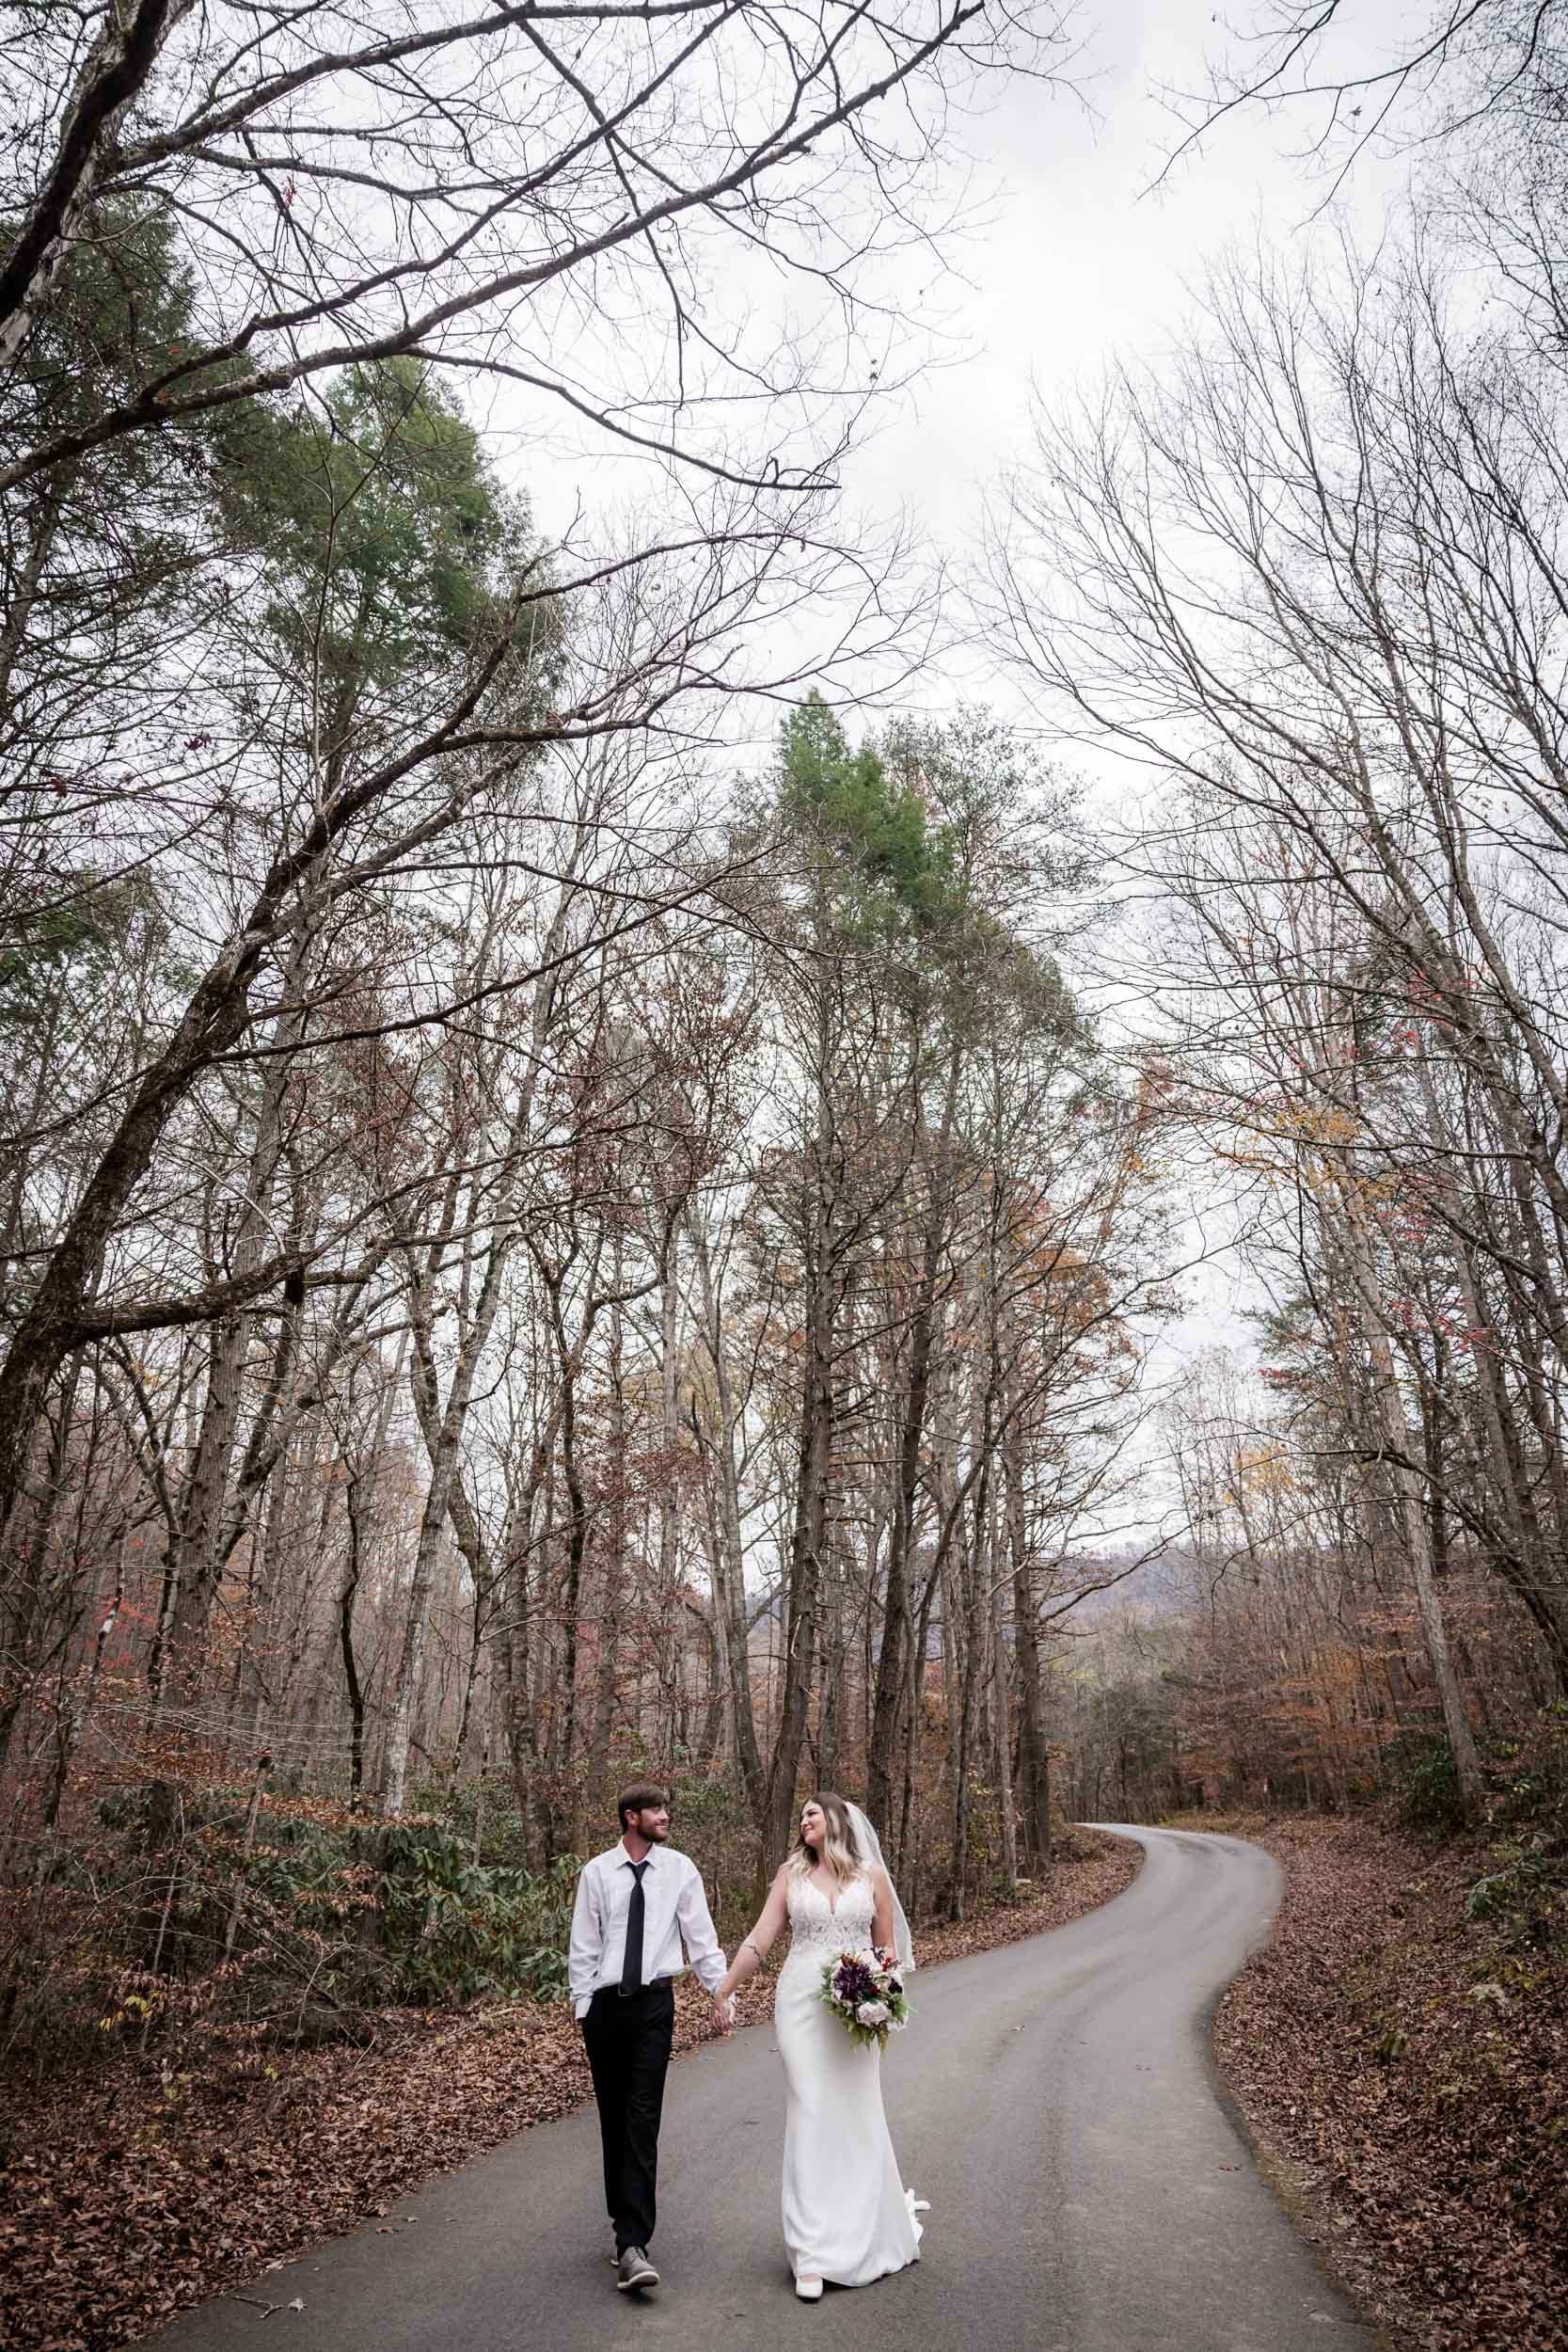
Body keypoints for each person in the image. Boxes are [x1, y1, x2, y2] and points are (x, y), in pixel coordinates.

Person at [713, 1791, 925, 2300]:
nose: (802, 1819)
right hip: (802, 2004)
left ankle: (860, 2230)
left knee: (855, 2113)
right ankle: (809, 2252)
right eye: (801, 1814)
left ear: (835, 1820)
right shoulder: (791, 1877)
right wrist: (725, 1988)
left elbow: (886, 1949)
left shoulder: (871, 1877)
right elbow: (761, 1940)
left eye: (811, 1811)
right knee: (809, 2108)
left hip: (856, 2009)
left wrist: (879, 1995)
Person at [567, 1783, 734, 2293]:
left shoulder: (680, 1870)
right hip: (605, 2009)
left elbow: (700, 1937)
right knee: (614, 2122)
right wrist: (583, 2009)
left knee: (642, 2118)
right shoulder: (597, 1873)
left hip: (655, 2007)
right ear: (630, 1817)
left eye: (666, 1808)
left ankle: (633, 2243)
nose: (665, 1816)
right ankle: (624, 2223)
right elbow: (584, 1945)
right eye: (656, 1809)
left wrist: (720, 1991)